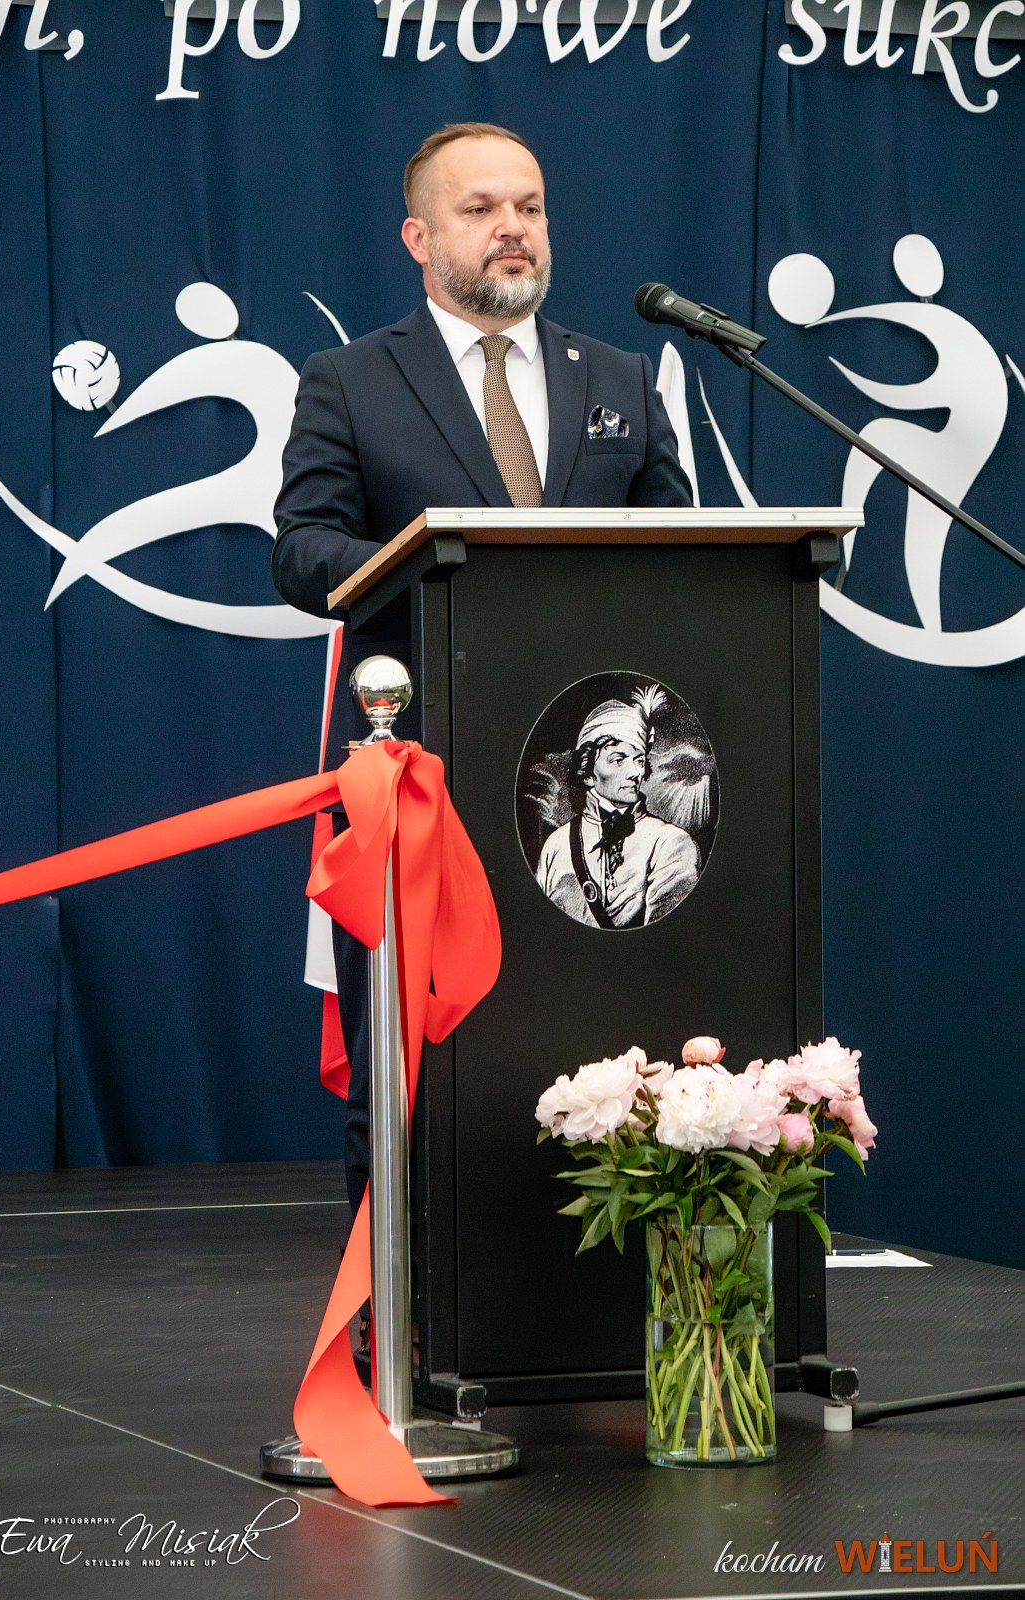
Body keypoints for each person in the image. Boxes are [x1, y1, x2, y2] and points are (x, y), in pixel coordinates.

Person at [272, 122, 693, 1278]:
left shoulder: (618, 376)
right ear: (418, 237)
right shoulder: (351, 379)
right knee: (416, 1051)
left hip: (590, 788)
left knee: (598, 1031)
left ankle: (598, 1304)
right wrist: (428, 558)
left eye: (530, 206)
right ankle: (405, 1306)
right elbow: (301, 548)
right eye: (480, 209)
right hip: (428, 775)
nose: (513, 228)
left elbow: (679, 547)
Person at [536, 692, 699, 928]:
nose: (634, 772)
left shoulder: (671, 842)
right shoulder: (555, 846)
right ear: (589, 773)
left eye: (639, 761)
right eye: (618, 760)